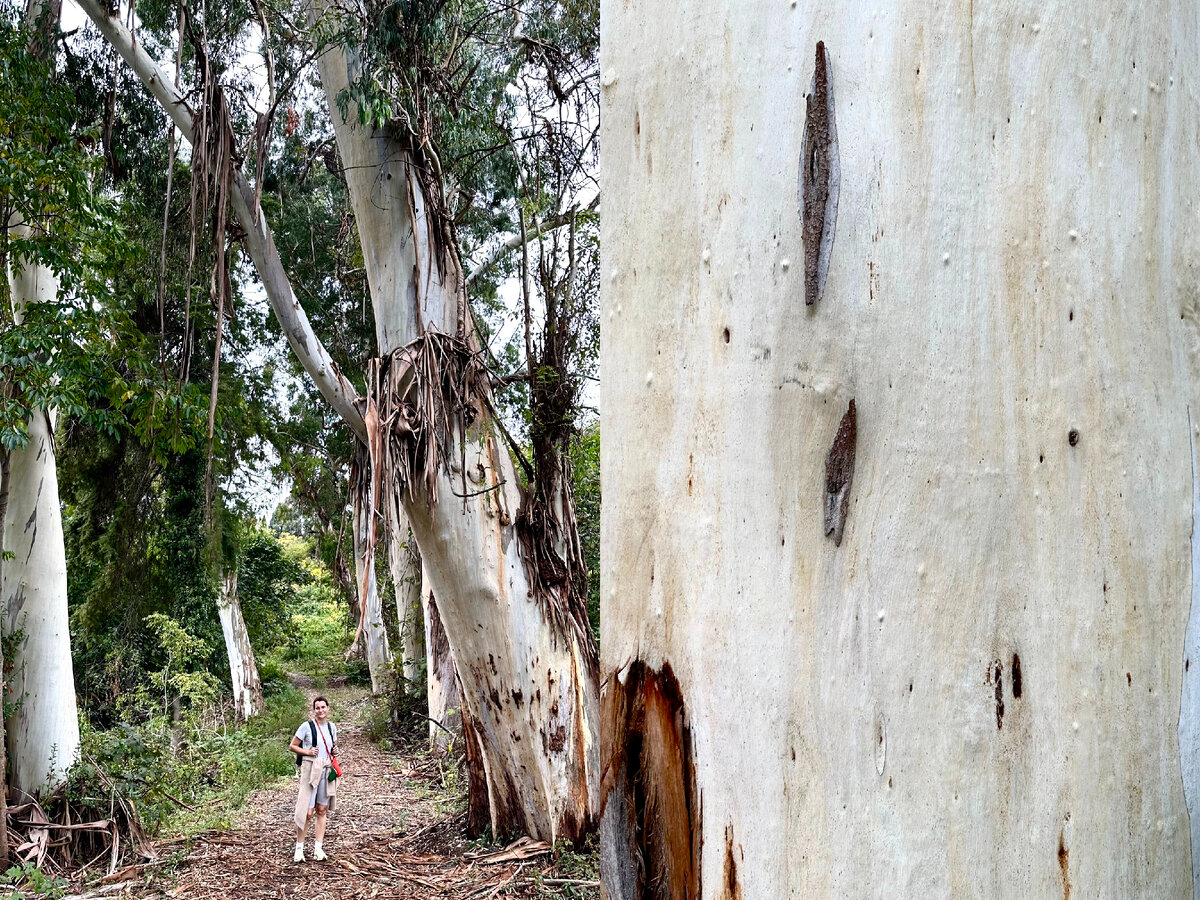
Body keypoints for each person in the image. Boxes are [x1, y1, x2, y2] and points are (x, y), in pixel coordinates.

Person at [288, 695, 338, 862]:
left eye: (323, 707)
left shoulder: (332, 727)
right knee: (307, 811)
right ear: (314, 710)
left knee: (322, 809)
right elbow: (292, 746)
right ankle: (299, 849)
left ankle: (318, 848)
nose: (321, 710)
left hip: (326, 769)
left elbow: (332, 747)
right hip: (310, 769)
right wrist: (308, 752)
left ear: (328, 708)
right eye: (317, 708)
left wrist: (334, 753)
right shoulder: (307, 727)